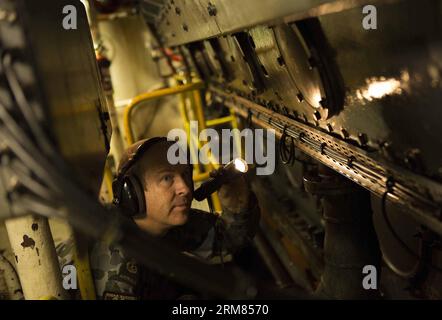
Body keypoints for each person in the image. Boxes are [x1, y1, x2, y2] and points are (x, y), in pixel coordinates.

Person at [57, 137, 260, 299]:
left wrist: (236, 204)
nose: (185, 188)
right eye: (166, 178)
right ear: (131, 192)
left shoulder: (168, 222)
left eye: (185, 174)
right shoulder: (114, 259)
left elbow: (227, 241)